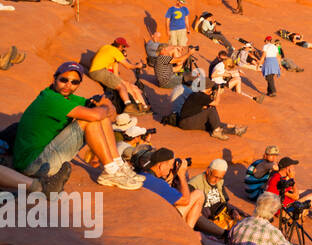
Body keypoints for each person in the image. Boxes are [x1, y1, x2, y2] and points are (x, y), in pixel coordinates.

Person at [12, 62, 145, 192]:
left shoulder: (67, 98)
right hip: (33, 165)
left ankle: (118, 165)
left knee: (98, 115)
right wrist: (104, 106)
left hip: (43, 157)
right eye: (64, 80)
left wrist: (105, 104)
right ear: (54, 78)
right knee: (90, 120)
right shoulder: (50, 99)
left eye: (74, 82)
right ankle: (111, 171)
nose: (68, 85)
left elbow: (108, 114)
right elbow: (95, 115)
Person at [138, 148, 205, 230]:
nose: (171, 168)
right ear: (161, 165)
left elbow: (166, 192)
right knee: (199, 194)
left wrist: (171, 177)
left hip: (148, 214)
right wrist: (181, 175)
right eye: (170, 165)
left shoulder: (144, 174)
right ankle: (188, 231)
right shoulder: (157, 183)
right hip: (161, 221)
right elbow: (185, 200)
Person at [88, 37, 150, 115]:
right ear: (120, 46)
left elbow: (91, 59)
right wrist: (137, 66)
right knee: (121, 86)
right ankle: (129, 106)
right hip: (100, 71)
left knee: (123, 84)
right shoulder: (115, 51)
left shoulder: (105, 47)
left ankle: (138, 105)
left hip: (94, 70)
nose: (123, 49)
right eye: (123, 47)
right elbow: (128, 66)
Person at [189, 157, 245, 239]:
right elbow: (190, 210)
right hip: (209, 222)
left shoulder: (219, 182)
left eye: (220, 177)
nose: (217, 180)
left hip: (224, 217)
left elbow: (224, 202)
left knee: (246, 224)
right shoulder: (193, 184)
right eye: (215, 177)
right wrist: (201, 209)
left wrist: (233, 211)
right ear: (208, 171)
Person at [177, 84, 247, 140]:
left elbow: (207, 106)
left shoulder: (198, 94)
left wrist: (228, 125)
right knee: (211, 109)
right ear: (208, 88)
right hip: (186, 122)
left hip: (187, 122)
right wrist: (218, 93)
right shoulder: (200, 96)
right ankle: (216, 132)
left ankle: (235, 131)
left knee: (212, 125)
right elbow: (216, 103)